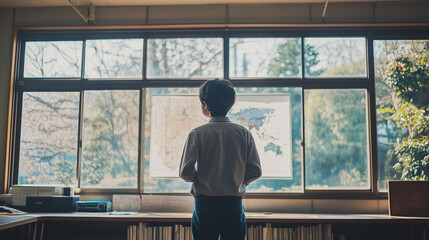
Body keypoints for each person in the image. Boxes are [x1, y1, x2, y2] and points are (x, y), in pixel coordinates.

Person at [179, 79, 262, 240]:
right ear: (230, 104)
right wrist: (239, 181)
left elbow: (185, 172)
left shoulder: (197, 134)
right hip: (233, 205)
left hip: (205, 205)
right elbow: (256, 171)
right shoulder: (243, 133)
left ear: (205, 104)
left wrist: (199, 178)